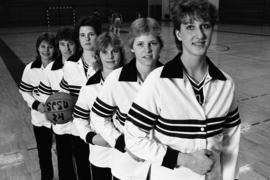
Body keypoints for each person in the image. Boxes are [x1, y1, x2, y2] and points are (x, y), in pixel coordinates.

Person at [124, 0, 241, 180]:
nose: (200, 34)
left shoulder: (226, 84)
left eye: (205, 26)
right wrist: (185, 160)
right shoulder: (158, 82)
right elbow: (133, 138)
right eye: (190, 27)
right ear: (178, 34)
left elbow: (231, 143)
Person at [90, 17, 163, 180]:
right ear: (131, 47)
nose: (147, 50)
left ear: (161, 46)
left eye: (153, 43)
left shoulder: (173, 80)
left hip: (162, 169)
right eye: (140, 44)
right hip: (127, 167)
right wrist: (123, 144)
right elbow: (98, 117)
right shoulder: (116, 79)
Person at [73, 32, 125, 180]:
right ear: (98, 55)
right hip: (101, 156)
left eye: (114, 51)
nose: (110, 56)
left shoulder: (132, 83)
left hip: (127, 156)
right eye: (104, 52)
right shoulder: (89, 87)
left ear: (121, 54)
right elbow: (79, 118)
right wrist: (92, 138)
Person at [59, 15, 102, 180]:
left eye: (91, 34)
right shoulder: (70, 64)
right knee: (83, 168)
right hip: (79, 127)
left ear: (98, 36)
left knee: (101, 170)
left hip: (102, 128)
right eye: (82, 35)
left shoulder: (106, 60)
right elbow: (65, 93)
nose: (86, 39)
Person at [38, 27, 78, 180]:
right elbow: (43, 94)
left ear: (76, 45)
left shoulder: (84, 67)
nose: (67, 48)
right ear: (58, 46)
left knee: (82, 162)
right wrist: (52, 107)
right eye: (62, 44)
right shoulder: (50, 69)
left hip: (80, 125)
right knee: (64, 162)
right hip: (60, 125)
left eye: (70, 44)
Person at [19, 32, 57, 180]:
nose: (46, 50)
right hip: (40, 119)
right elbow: (24, 91)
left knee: (64, 152)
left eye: (50, 47)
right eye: (43, 46)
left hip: (61, 119)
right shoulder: (30, 69)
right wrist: (35, 104)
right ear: (37, 48)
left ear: (55, 49)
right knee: (43, 152)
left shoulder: (61, 67)